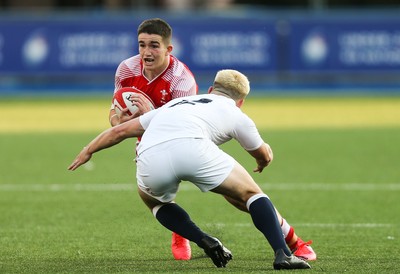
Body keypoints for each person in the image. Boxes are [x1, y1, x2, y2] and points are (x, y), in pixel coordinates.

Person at [69, 69, 312, 269]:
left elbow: (120, 131)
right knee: (252, 195)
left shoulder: (174, 104)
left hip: (151, 153)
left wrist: (88, 150)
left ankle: (204, 239)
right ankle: (282, 253)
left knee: (156, 203)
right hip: (194, 149)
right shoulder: (236, 114)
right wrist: (263, 160)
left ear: (210, 90)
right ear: (241, 101)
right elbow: (262, 153)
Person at [108, 18, 198, 260]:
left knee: (234, 193)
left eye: (154, 45)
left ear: (169, 49)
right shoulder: (126, 69)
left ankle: (288, 238)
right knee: (153, 195)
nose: (146, 52)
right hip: (146, 139)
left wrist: (149, 117)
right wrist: (120, 122)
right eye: (141, 45)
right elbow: (113, 112)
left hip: (187, 139)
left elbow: (181, 129)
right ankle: (180, 232)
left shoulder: (181, 81)